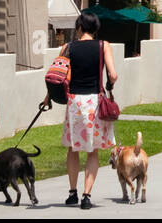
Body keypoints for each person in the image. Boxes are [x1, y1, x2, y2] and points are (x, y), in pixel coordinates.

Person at [42, 12, 117, 210]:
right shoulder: (103, 46)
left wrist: (47, 97)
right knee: (92, 151)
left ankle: (72, 192)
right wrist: (109, 83)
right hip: (94, 102)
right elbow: (114, 74)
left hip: (74, 102)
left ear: (79, 27)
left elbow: (56, 75)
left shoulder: (67, 47)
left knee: (73, 149)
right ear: (95, 28)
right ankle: (86, 195)